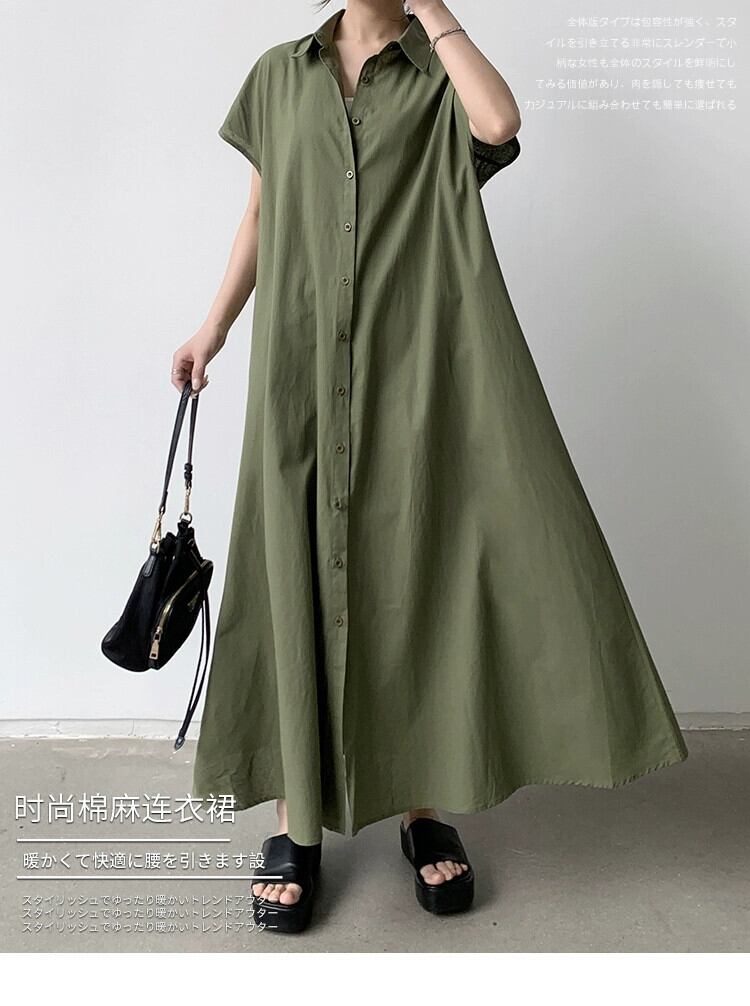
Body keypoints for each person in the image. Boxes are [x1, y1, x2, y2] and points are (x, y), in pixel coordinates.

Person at [173, 0, 688, 933]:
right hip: (299, 369)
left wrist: (435, 14)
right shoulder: (278, 75)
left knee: (413, 575)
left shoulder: (438, 77)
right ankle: (295, 821)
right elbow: (260, 208)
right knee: (295, 571)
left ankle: (422, 807)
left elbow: (499, 122)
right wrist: (212, 328)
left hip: (414, 371)